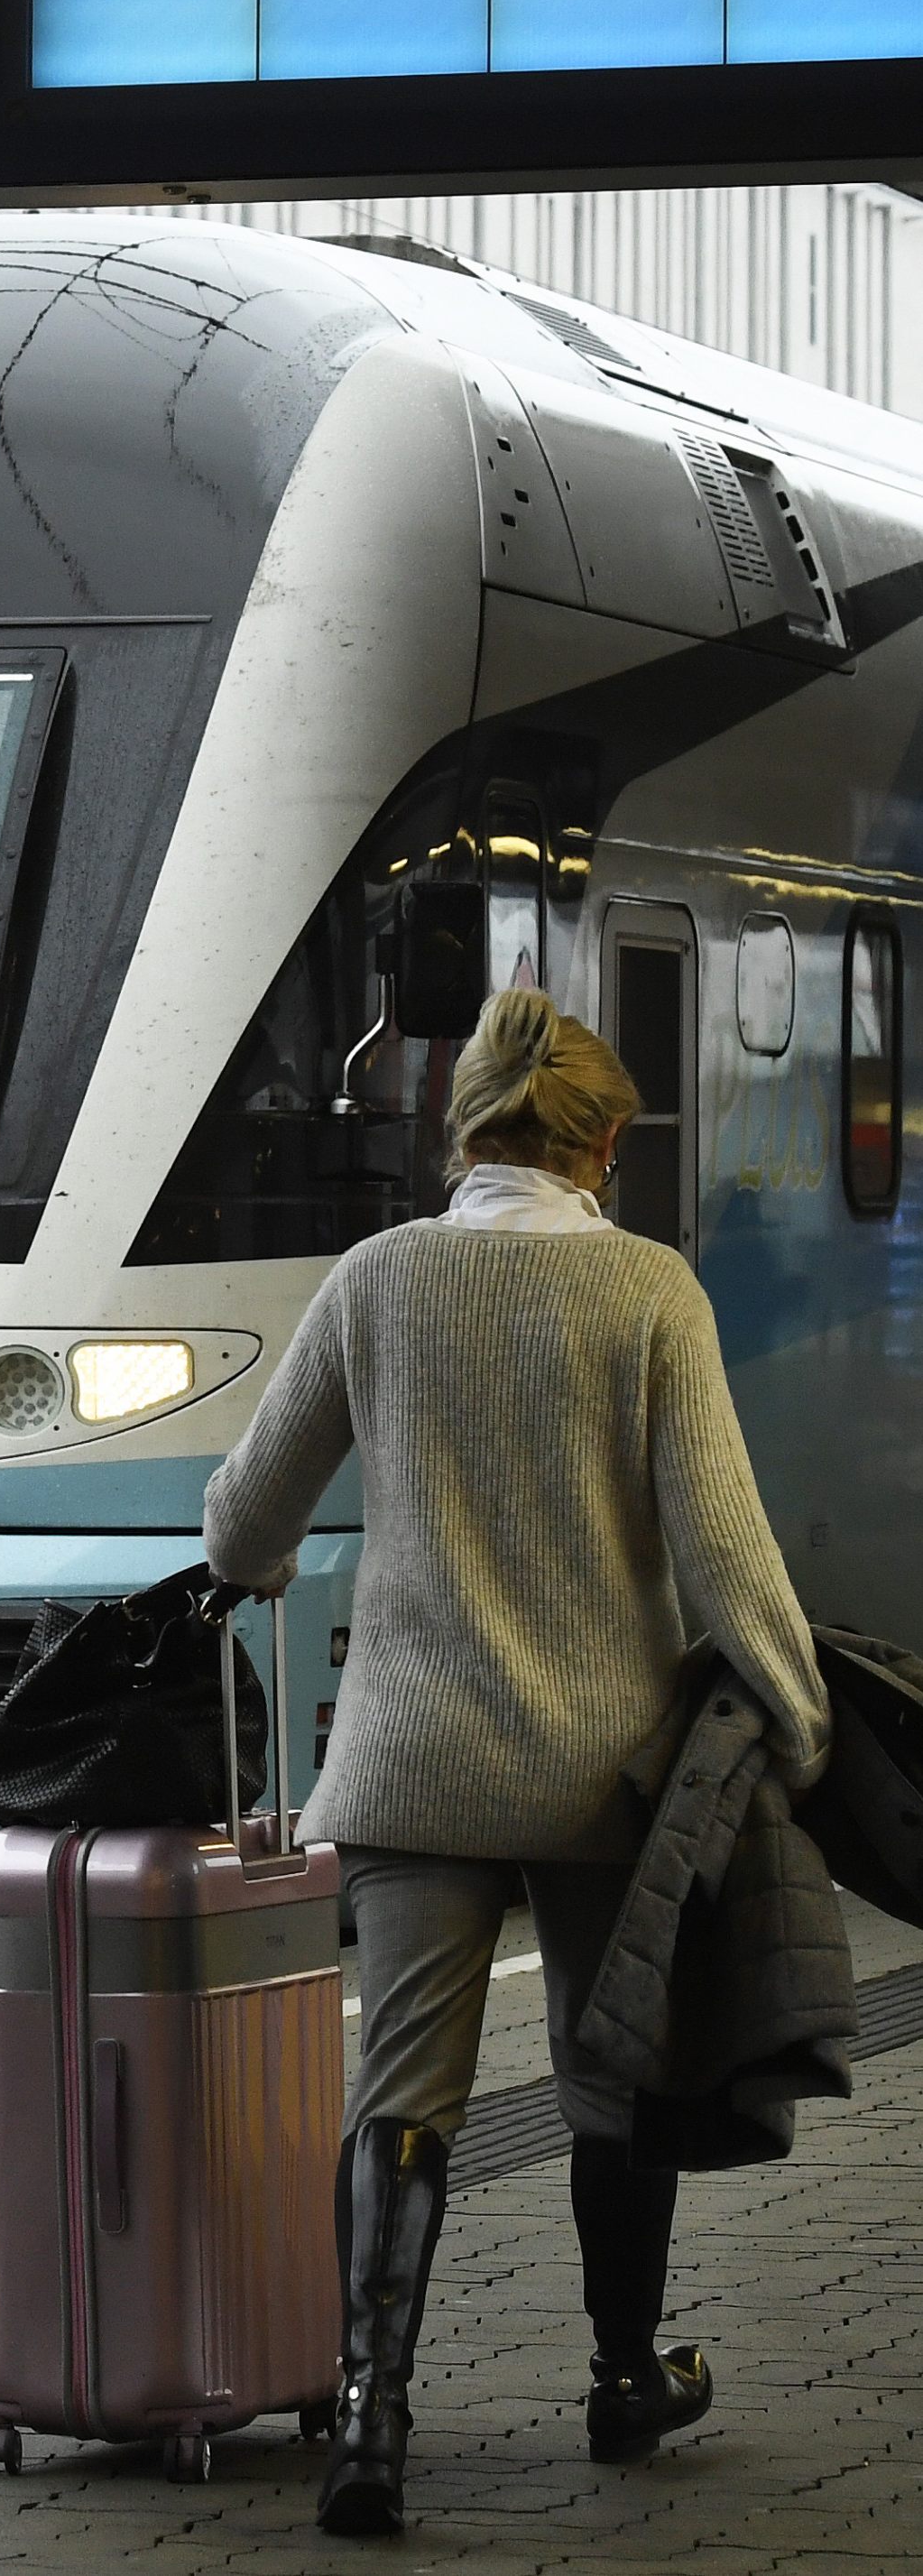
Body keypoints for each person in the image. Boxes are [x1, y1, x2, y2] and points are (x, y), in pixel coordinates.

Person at [201, 985, 828, 2538]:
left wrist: (267, 1566)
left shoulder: (374, 1281)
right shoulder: (648, 1295)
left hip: (414, 1767)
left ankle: (367, 2416)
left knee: (402, 2084)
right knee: (613, 2072)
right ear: (603, 1142)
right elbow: (723, 1549)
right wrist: (801, 1721)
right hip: (604, 1769)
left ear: (454, 1126)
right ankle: (623, 2377)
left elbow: (241, 1521)